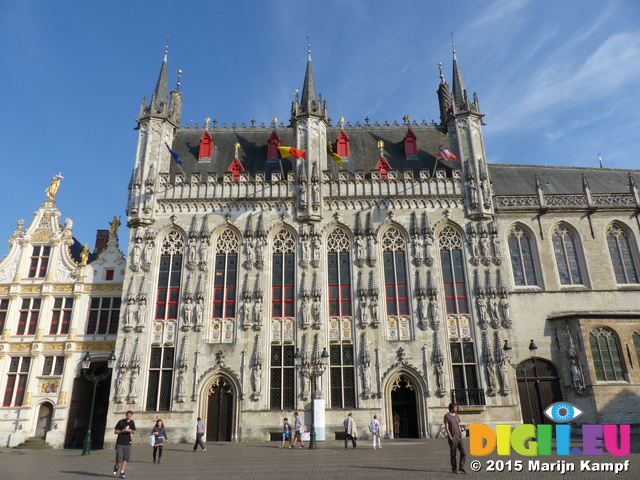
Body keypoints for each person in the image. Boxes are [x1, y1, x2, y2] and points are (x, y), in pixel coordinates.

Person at [444, 403, 467, 474]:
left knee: (463, 452)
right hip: (452, 437)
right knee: (453, 453)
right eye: (455, 408)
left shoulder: (457, 416)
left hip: (459, 436)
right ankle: (454, 468)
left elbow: (458, 425)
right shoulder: (447, 416)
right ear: (451, 408)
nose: (456, 409)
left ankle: (461, 466)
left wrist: (461, 431)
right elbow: (447, 427)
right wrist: (450, 436)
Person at [113, 410, 136, 479]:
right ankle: (116, 466)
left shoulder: (132, 422)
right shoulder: (121, 422)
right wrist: (122, 431)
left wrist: (130, 431)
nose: (128, 417)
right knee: (119, 457)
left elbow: (134, 431)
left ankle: (122, 471)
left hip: (128, 442)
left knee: (125, 458)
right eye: (128, 415)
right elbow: (115, 431)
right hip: (120, 441)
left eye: (130, 416)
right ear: (126, 415)